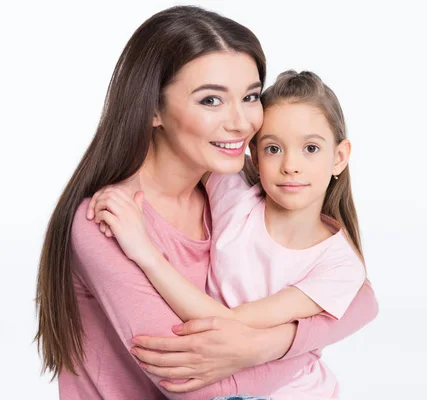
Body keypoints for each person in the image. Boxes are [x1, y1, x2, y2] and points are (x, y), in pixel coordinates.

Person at [35, 6, 378, 400]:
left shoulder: (238, 182)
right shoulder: (109, 220)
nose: (242, 122)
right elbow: (189, 383)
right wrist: (304, 351)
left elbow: (362, 297)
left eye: (250, 96)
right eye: (211, 100)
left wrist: (268, 345)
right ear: (153, 109)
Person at [90, 70, 367, 399]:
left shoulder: (340, 265)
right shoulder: (233, 196)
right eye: (273, 149)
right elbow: (182, 146)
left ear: (339, 157)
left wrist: (145, 254)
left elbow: (229, 323)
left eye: (310, 148)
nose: (291, 165)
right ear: (253, 153)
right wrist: (123, 186)